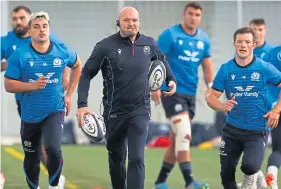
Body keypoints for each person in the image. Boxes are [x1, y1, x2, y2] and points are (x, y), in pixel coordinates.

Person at [76, 6, 176, 189]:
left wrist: (170, 80)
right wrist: (82, 104)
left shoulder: (149, 44)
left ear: (139, 22)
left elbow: (161, 61)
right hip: (113, 112)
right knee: (117, 159)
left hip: (140, 110)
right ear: (118, 23)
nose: (131, 24)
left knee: (137, 157)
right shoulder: (105, 47)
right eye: (127, 20)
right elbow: (86, 74)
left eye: (135, 20)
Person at [4, 11, 82, 189]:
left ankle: (54, 186)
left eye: (45, 26)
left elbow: (77, 65)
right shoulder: (20, 55)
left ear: (49, 29)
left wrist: (69, 94)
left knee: (53, 148)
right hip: (30, 114)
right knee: (32, 157)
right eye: (36, 27)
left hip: (55, 109)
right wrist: (32, 86)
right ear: (30, 31)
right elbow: (8, 85)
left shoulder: (61, 50)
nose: (41, 30)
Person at [206, 26, 281, 189]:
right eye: (239, 41)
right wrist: (221, 106)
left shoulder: (264, 67)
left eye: (247, 42)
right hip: (232, 129)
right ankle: (257, 178)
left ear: (254, 45)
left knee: (250, 166)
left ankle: (254, 177)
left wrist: (276, 110)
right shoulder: (226, 69)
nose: (243, 45)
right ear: (234, 44)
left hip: (257, 130)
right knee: (226, 175)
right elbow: (210, 96)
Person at [151, 2, 213, 189]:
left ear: (200, 18)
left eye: (197, 15)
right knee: (185, 135)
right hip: (172, 92)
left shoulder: (204, 39)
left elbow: (207, 65)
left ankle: (160, 181)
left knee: (177, 139)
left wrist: (210, 87)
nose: (193, 18)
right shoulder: (170, 35)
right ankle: (189, 182)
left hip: (191, 95)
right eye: (190, 14)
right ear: (184, 14)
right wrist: (154, 86)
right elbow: (155, 60)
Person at [264, 45, 281, 189]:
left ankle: (271, 176)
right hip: (276, 108)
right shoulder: (274, 53)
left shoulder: (273, 52)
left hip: (275, 107)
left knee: (278, 149)